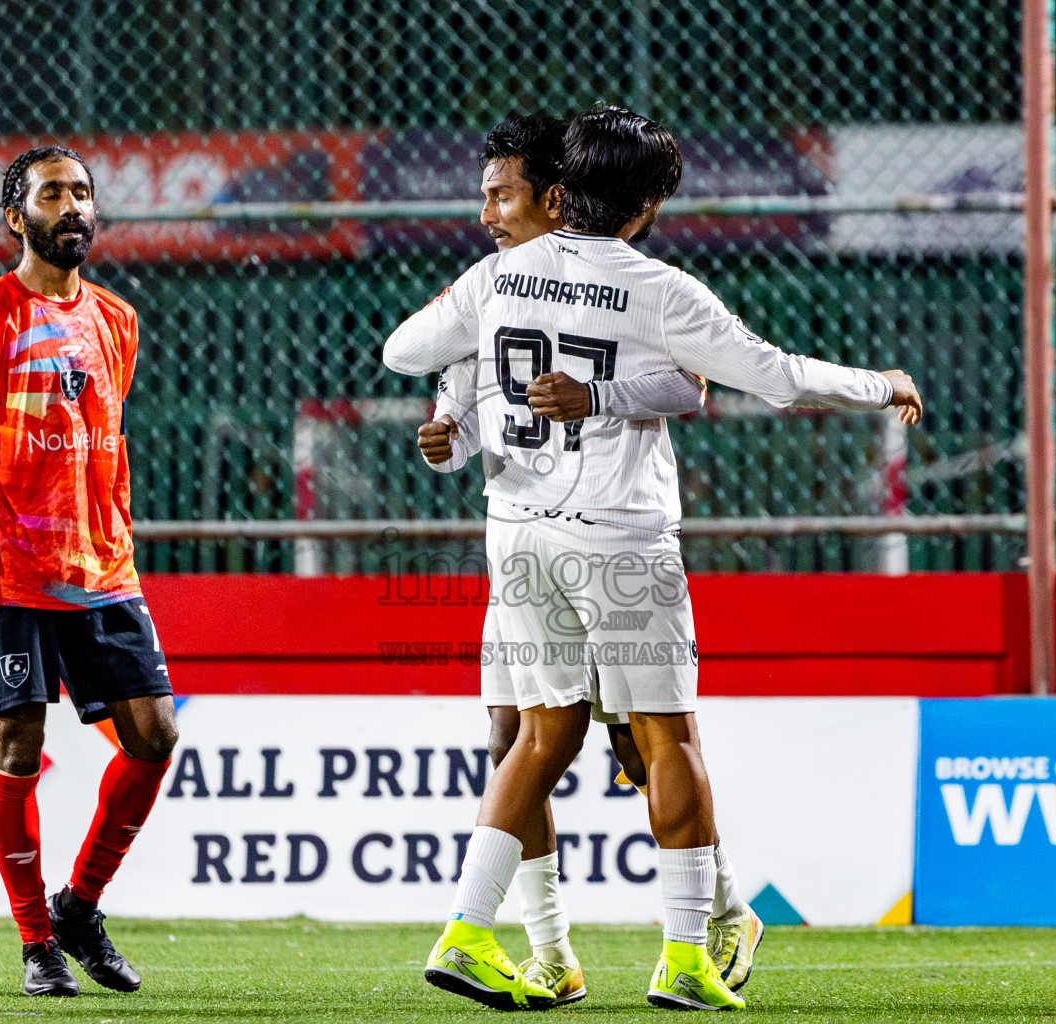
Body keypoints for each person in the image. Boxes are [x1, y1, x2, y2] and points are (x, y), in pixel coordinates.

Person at [384, 106, 923, 1011]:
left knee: (535, 734)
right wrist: (883, 385)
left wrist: (478, 377)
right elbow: (777, 377)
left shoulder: (498, 275)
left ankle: (473, 930)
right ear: (651, 202)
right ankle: (682, 953)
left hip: (519, 537)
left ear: (563, 191)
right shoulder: (661, 290)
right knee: (662, 735)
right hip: (620, 537)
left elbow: (405, 350)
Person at [418, 113, 757, 1006]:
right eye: (486, 194)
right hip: (529, 538)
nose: (488, 211)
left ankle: (720, 910)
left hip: (610, 537)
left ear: (557, 197)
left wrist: (599, 393)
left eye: (504, 194)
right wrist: (451, 431)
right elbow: (450, 398)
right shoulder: (495, 288)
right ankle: (554, 952)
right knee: (516, 737)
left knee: (643, 749)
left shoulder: (608, 279)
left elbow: (689, 382)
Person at [0, 145, 178, 998]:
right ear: (16, 217)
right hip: (7, 576)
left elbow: (100, 443)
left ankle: (80, 908)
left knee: (156, 738)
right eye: (52, 194)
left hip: (105, 571)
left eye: (81, 193)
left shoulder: (117, 319)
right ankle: (38, 943)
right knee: (16, 746)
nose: (72, 206)